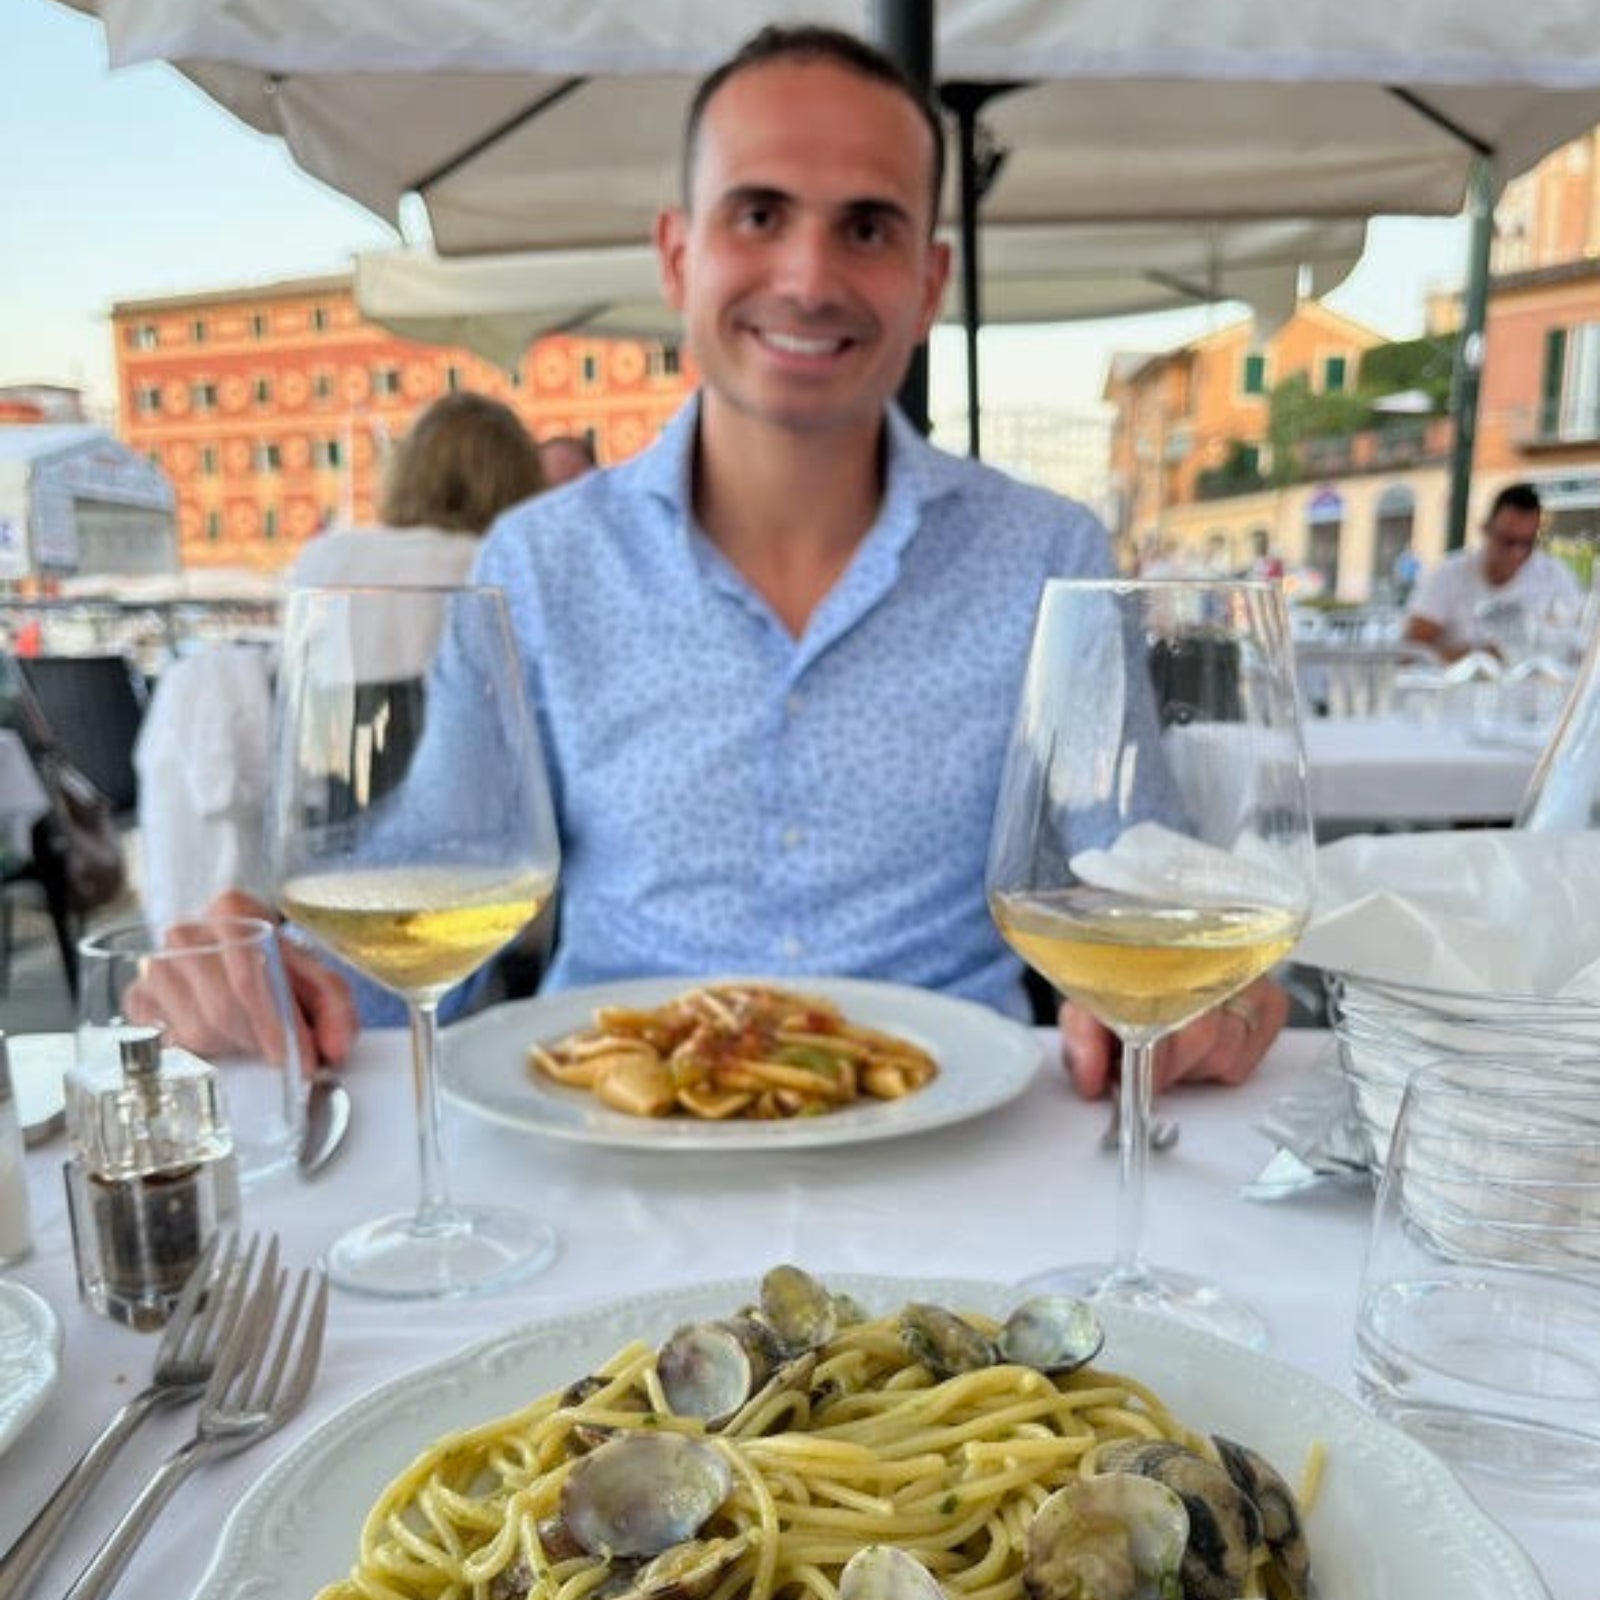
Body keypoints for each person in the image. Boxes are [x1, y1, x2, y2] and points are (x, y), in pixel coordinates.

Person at [208, 24, 1285, 1095]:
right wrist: (276, 972)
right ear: (678, 254)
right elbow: (434, 895)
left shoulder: (1048, 554)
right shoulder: (541, 560)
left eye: (868, 227)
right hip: (605, 1133)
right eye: (759, 214)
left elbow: (1137, 874)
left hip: (962, 1145)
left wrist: (1213, 990)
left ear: (927, 281)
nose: (809, 278)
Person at [1402, 483, 1582, 663]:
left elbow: (1576, 646)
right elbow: (1412, 650)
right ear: (1486, 529)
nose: (1517, 553)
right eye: (1508, 541)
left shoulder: (1554, 576)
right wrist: (1487, 657)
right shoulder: (1448, 574)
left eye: (1527, 543)